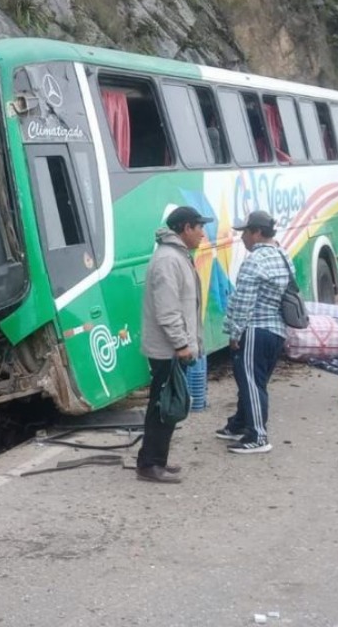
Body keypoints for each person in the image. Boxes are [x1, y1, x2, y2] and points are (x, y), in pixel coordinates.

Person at [136, 205, 212, 483]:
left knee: (166, 404)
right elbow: (167, 311)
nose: (202, 234)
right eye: (199, 227)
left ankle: (156, 460)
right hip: (167, 350)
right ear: (186, 228)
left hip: (171, 348)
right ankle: (150, 465)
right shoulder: (169, 260)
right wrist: (181, 345)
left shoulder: (177, 256)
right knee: (162, 406)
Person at [218, 210, 289, 454]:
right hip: (276, 330)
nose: (242, 238)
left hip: (255, 330)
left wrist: (235, 333)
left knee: (250, 384)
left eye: (245, 232)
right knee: (255, 381)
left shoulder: (254, 261)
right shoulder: (282, 256)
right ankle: (239, 423)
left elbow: (243, 302)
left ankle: (257, 436)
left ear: (257, 232)